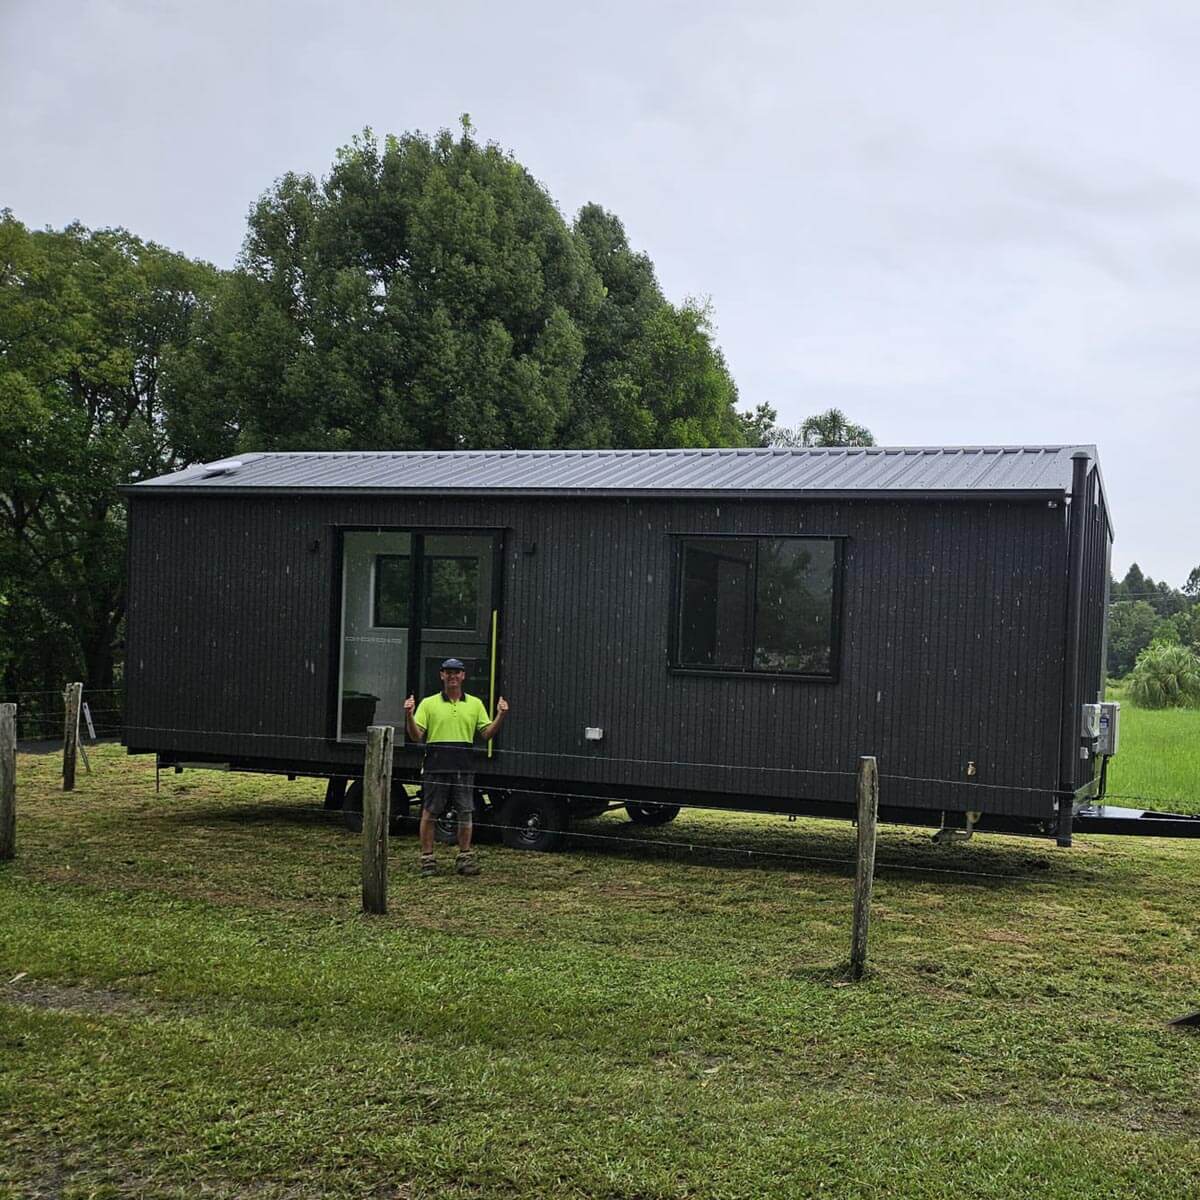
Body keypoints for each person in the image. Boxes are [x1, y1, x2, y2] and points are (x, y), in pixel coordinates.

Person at [404, 658, 509, 877]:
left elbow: (487, 734)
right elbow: (416, 736)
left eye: (456, 672)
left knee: (465, 812)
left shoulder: (475, 704)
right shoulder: (428, 703)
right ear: (441, 675)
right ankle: (427, 859)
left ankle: (464, 858)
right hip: (435, 766)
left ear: (463, 676)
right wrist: (409, 715)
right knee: (430, 812)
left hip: (463, 767)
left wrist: (501, 715)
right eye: (448, 672)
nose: (452, 676)